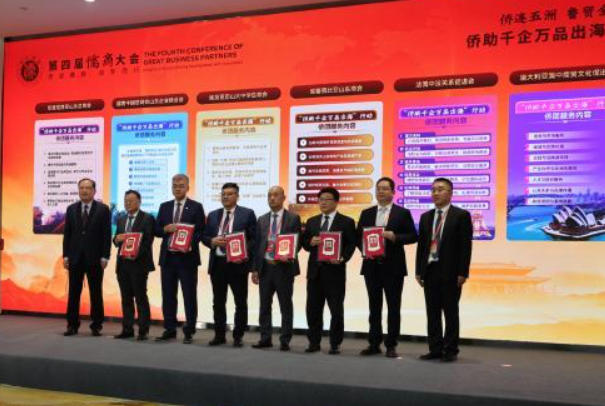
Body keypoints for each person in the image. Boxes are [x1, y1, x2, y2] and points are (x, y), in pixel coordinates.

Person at [356, 177, 418, 358]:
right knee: (374, 307)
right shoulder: (366, 213)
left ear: (393, 192)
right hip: (371, 266)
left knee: (393, 307)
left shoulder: (402, 213)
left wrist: (395, 237)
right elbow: (358, 237)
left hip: (393, 267)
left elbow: (413, 236)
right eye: (378, 189)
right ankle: (374, 343)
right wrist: (365, 250)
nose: (381, 192)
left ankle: (391, 344)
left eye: (385, 188)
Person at [415, 177, 472, 362]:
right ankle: (435, 349)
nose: (436, 193)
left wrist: (463, 272)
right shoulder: (426, 217)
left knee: (450, 312)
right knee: (432, 313)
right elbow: (422, 247)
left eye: (440, 189)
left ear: (450, 193)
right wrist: (419, 270)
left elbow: (465, 247)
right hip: (430, 270)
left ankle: (451, 350)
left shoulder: (461, 215)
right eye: (433, 190)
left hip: (451, 272)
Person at [302, 187, 355, 355]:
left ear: (336, 202)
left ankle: (335, 343)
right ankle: (314, 342)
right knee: (313, 310)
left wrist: (342, 258)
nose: (323, 202)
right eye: (321, 199)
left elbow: (351, 244)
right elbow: (304, 243)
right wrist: (310, 242)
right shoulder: (312, 221)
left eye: (327, 199)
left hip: (335, 272)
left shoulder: (346, 221)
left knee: (336, 311)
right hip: (315, 273)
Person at [202, 182, 256, 347]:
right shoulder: (213, 215)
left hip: (237, 264)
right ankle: (219, 335)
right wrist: (212, 241)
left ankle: (238, 336)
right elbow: (204, 236)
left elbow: (254, 239)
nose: (226, 196)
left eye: (230, 194)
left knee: (240, 302)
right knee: (218, 302)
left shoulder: (247, 214)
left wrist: (242, 251)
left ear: (237, 196)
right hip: (218, 264)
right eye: (223, 194)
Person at [154, 174, 205, 344]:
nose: (177, 188)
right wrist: (165, 229)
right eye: (174, 185)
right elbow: (157, 230)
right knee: (168, 295)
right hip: (168, 259)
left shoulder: (196, 207)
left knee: (189, 295)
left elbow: (201, 232)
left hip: (187, 259)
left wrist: (189, 243)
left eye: (181, 185)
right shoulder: (164, 207)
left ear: (188, 187)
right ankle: (169, 329)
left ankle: (189, 331)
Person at [251, 186, 302, 352]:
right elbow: (257, 246)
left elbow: (297, 242)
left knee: (285, 306)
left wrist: (290, 254)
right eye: (269, 195)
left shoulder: (293, 218)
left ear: (283, 198)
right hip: (265, 268)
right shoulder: (262, 219)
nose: (272, 198)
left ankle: (285, 340)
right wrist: (255, 269)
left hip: (284, 268)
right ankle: (265, 338)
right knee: (264, 306)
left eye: (275, 195)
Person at [62, 178, 111, 336]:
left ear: (94, 191)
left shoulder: (103, 209)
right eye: (81, 188)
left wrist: (105, 256)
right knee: (73, 293)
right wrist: (66, 255)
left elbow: (106, 234)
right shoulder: (71, 209)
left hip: (95, 258)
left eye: (88, 188)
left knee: (96, 293)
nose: (84, 190)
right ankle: (72, 325)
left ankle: (96, 325)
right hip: (75, 258)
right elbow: (67, 234)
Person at [113, 190, 155, 341]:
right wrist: (116, 239)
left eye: (131, 200)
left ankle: (143, 330)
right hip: (123, 264)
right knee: (126, 298)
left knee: (140, 297)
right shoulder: (121, 219)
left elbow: (148, 241)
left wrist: (135, 253)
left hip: (139, 264)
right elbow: (116, 240)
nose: (128, 203)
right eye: (126, 201)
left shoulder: (147, 218)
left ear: (139, 202)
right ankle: (127, 329)